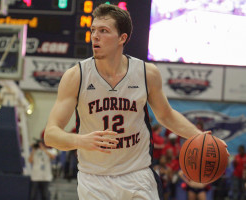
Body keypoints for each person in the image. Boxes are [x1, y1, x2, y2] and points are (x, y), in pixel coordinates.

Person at [43, 4, 228, 200]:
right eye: (93, 30)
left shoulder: (146, 73)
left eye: (104, 31)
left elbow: (166, 115)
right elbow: (51, 134)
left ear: (122, 38)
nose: (95, 36)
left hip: (137, 176)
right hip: (94, 179)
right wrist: (81, 141)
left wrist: (202, 138)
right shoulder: (76, 76)